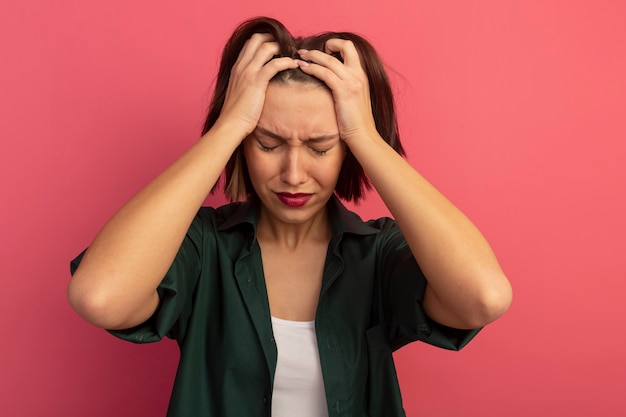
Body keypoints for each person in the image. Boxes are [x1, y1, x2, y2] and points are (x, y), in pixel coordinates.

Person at [68, 16, 512, 417]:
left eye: (320, 148)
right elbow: (98, 296)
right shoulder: (204, 249)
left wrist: (367, 135)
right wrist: (228, 126)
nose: (293, 174)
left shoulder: (378, 255)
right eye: (267, 144)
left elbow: (484, 297)